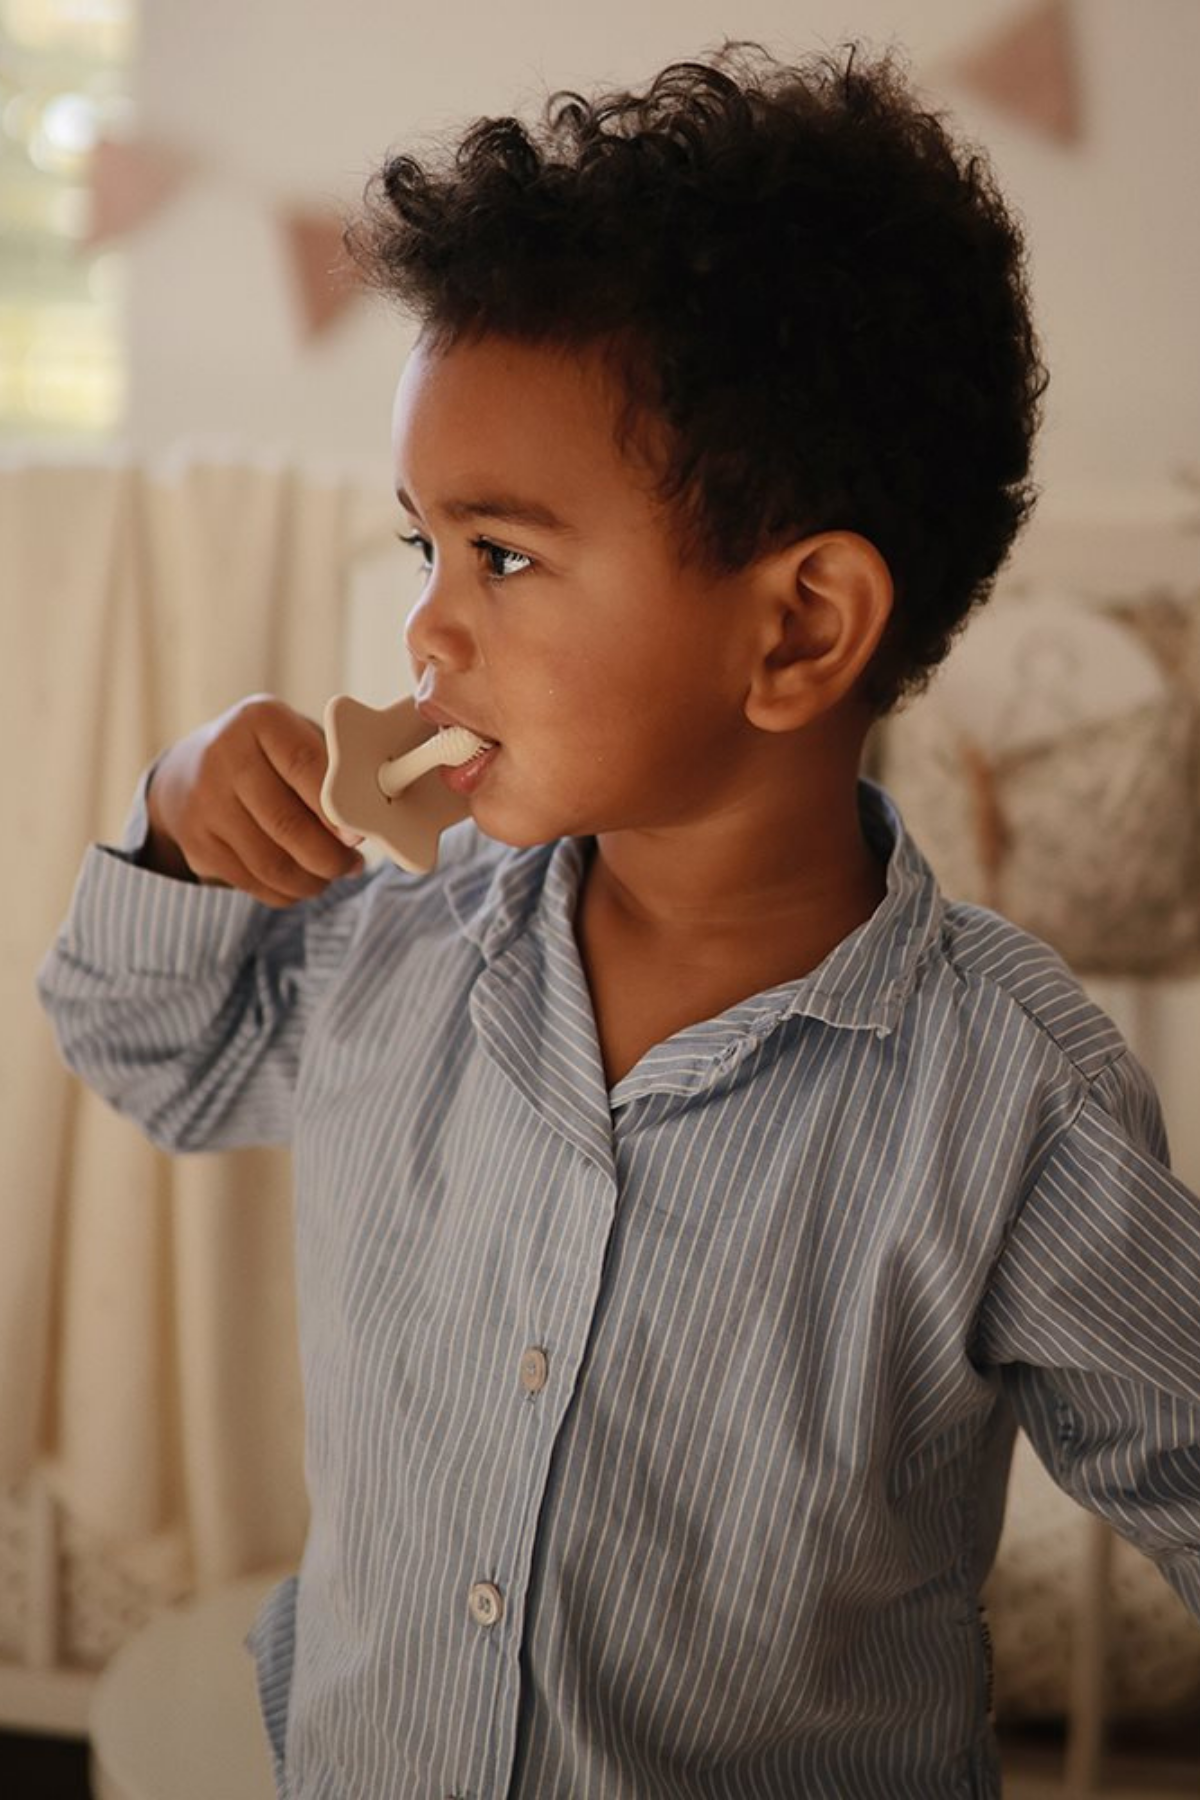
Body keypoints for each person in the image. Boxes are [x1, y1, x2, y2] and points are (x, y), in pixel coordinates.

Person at [38, 42, 1200, 1800]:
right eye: (421, 544)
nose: (427, 631)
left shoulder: (1011, 1104)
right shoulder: (397, 944)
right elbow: (152, 1052)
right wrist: (184, 817)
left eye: (500, 556)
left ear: (800, 630)